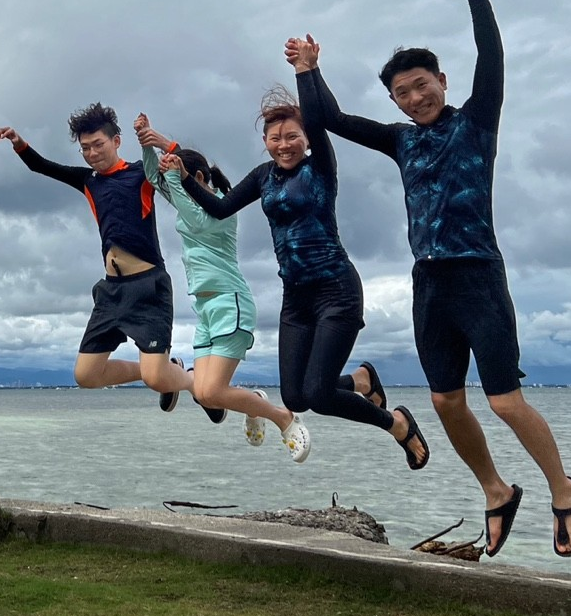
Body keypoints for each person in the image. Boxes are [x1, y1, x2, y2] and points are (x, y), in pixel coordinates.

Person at [289, 0, 571, 559]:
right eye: (403, 92)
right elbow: (332, 119)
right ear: (395, 100)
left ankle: (564, 489)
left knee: (504, 399)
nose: (415, 97)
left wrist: (479, 0)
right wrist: (308, 69)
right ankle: (495, 490)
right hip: (430, 283)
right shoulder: (400, 141)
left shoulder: (475, 121)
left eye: (422, 85)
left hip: (478, 275)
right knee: (446, 400)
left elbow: (492, 61)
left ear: (441, 82)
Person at [161, 87, 428, 470]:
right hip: (296, 300)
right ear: (265, 142)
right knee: (295, 396)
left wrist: (305, 70)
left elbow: (319, 120)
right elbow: (219, 208)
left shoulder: (319, 167)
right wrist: (185, 178)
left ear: (306, 139)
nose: (284, 145)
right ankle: (362, 380)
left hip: (336, 290)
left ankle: (396, 423)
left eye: (292, 136)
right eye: (275, 138)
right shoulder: (263, 177)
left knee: (318, 395)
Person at [132, 113, 311, 462]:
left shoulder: (221, 209)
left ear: (197, 179)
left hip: (231, 304)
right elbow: (154, 176)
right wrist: (147, 143)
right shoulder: (187, 203)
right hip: (205, 311)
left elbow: (197, 219)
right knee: (205, 393)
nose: (176, 188)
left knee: (212, 390)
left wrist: (172, 164)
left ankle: (283, 417)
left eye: (183, 179)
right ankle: (253, 403)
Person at [0, 103, 191, 406]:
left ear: (116, 141)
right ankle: (165, 369)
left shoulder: (142, 174)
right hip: (112, 291)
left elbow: (187, 167)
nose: (92, 153)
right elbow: (42, 166)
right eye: (85, 148)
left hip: (148, 287)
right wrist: (19, 143)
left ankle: (188, 380)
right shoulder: (89, 181)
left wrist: (157, 140)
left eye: (98, 144)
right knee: (86, 375)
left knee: (156, 379)